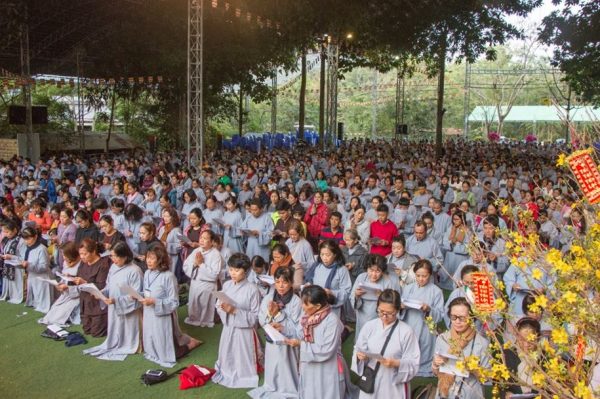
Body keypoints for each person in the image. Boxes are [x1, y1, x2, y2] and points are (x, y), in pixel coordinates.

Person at [285, 285, 355, 399]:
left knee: (326, 392)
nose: (302, 307)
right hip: (308, 362)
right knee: (310, 390)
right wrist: (283, 328)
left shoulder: (332, 321)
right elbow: (299, 333)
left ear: (317, 306)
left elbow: (326, 350)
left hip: (327, 366)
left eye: (305, 304)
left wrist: (301, 344)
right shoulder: (306, 316)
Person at [137, 244, 201, 367]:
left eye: (152, 258)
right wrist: (137, 295)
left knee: (169, 351)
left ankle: (191, 344)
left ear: (160, 259)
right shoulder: (147, 273)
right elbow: (146, 292)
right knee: (151, 339)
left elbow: (174, 302)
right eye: (147, 257)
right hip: (149, 313)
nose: (148, 261)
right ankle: (183, 340)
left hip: (163, 315)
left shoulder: (169, 276)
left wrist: (155, 301)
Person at [352, 289, 420, 399]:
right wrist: (360, 357)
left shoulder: (406, 332)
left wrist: (396, 363)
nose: (384, 316)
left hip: (392, 383)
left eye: (389, 313)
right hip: (371, 379)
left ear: (397, 310)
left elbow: (414, 362)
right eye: (380, 311)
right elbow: (359, 349)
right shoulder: (369, 326)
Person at [248, 266, 302, 399]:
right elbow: (261, 319)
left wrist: (279, 316)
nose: (281, 286)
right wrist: (269, 317)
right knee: (272, 365)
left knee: (286, 367)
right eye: (277, 282)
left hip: (288, 342)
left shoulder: (297, 302)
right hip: (271, 340)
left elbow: (298, 328)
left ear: (291, 283)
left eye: (285, 282)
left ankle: (288, 388)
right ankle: (272, 385)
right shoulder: (268, 298)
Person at [83, 242, 143, 361]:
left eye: (116, 256)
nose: (113, 259)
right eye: (111, 256)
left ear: (125, 256)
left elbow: (137, 294)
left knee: (129, 331)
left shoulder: (135, 270)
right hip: (113, 304)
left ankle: (131, 344)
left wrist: (117, 300)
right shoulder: (113, 267)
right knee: (115, 327)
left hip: (128, 308)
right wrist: (101, 293)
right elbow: (109, 285)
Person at [212, 253, 262, 388]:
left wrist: (234, 311)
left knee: (243, 360)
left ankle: (245, 372)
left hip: (244, 332)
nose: (233, 273)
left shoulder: (253, 290)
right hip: (228, 327)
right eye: (231, 269)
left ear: (245, 271)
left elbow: (256, 317)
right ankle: (227, 368)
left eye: (237, 270)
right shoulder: (227, 285)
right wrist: (222, 307)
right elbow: (218, 304)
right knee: (227, 353)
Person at [433, 297, 491, 398]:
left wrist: (474, 369)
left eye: (463, 318)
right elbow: (436, 373)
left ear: (472, 317)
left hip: (470, 394)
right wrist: (435, 364)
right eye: (453, 317)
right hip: (444, 394)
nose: (457, 321)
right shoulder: (442, 339)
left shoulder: (481, 343)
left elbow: (488, 378)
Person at [401, 259, 444, 377]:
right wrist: (401, 307)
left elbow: (440, 314)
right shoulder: (408, 288)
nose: (421, 279)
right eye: (418, 275)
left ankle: (424, 367)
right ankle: (408, 365)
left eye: (424, 276)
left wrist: (429, 309)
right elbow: (401, 306)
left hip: (425, 326)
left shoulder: (436, 291)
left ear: (430, 275)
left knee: (425, 346)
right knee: (408, 346)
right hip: (409, 322)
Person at [350, 254, 401, 339]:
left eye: (378, 271)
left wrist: (382, 296)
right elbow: (352, 296)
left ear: (383, 271)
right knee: (362, 336)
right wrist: (356, 295)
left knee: (377, 338)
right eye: (371, 270)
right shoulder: (361, 277)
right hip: (362, 313)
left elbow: (393, 302)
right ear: (367, 268)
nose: (373, 274)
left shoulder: (388, 281)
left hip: (379, 314)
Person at [183, 230, 223, 327]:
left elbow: (214, 275)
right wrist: (195, 264)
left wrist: (201, 264)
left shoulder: (216, 254)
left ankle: (206, 320)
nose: (202, 240)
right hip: (195, 281)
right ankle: (194, 319)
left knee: (205, 304)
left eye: (205, 238)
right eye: (201, 238)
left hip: (207, 284)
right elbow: (186, 266)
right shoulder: (196, 251)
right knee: (194, 303)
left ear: (212, 241)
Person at [304, 239, 352, 318]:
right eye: (322, 254)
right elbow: (310, 280)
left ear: (335, 254)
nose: (324, 258)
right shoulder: (317, 266)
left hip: (332, 309)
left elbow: (347, 291)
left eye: (328, 255)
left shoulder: (341, 270)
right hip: (315, 305)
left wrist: (332, 293)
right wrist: (308, 285)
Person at [74, 238, 111, 337]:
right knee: (87, 330)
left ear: (93, 252)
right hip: (85, 302)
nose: (82, 257)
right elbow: (77, 276)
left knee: (96, 333)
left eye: (85, 254)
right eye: (80, 254)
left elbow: (102, 286)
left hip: (97, 304)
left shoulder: (103, 264)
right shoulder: (83, 263)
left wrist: (85, 282)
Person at [40, 242, 81, 326]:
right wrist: (59, 284)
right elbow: (63, 276)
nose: (64, 257)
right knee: (52, 313)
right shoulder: (66, 263)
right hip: (65, 293)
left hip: (76, 294)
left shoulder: (81, 263)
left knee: (62, 314)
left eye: (65, 255)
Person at [20, 226, 52, 313]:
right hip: (32, 275)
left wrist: (29, 265)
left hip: (42, 277)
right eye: (25, 239)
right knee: (35, 295)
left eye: (28, 239)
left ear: (35, 237)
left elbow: (44, 266)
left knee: (42, 297)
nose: (26, 241)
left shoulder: (42, 249)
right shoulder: (25, 247)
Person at [440, 210, 471, 290]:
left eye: (457, 219)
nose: (455, 221)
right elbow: (445, 241)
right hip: (450, 255)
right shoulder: (450, 228)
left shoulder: (467, 231)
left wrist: (456, 245)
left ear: (462, 219)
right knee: (448, 272)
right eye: (454, 219)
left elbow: (468, 247)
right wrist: (451, 243)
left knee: (458, 274)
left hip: (461, 257)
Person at [0, 220, 26, 303]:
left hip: (16, 266)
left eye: (7, 232)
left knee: (16, 284)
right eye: (4, 232)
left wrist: (11, 257)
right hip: (7, 264)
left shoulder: (21, 241)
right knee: (7, 281)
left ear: (14, 230)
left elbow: (23, 257)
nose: (6, 234)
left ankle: (16, 296)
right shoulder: (6, 240)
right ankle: (8, 295)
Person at [158, 207, 182, 273]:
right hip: (162, 256)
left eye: (167, 216)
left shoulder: (177, 230)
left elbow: (179, 246)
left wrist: (167, 245)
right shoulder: (162, 228)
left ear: (172, 217)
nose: (165, 218)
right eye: (164, 216)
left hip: (172, 258)